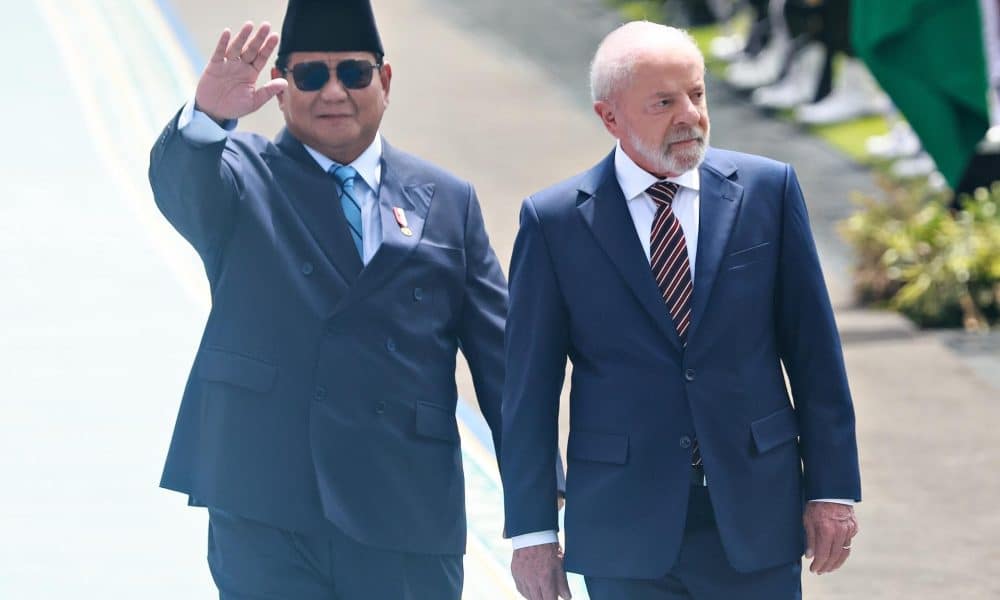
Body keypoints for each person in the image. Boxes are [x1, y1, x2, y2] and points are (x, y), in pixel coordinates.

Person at [147, 1, 510, 597]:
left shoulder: (447, 199)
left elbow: (503, 360)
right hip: (268, 503)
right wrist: (208, 116)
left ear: (385, 80)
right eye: (311, 75)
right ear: (281, 87)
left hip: (405, 503)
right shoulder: (241, 174)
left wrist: (537, 501)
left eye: (354, 73)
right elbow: (182, 185)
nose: (334, 91)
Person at [500, 21, 861, 600]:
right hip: (623, 527)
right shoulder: (555, 223)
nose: (689, 115)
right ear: (610, 117)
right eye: (663, 103)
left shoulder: (768, 191)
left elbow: (815, 354)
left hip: (755, 512)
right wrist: (533, 532)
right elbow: (528, 391)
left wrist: (832, 489)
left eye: (696, 94)